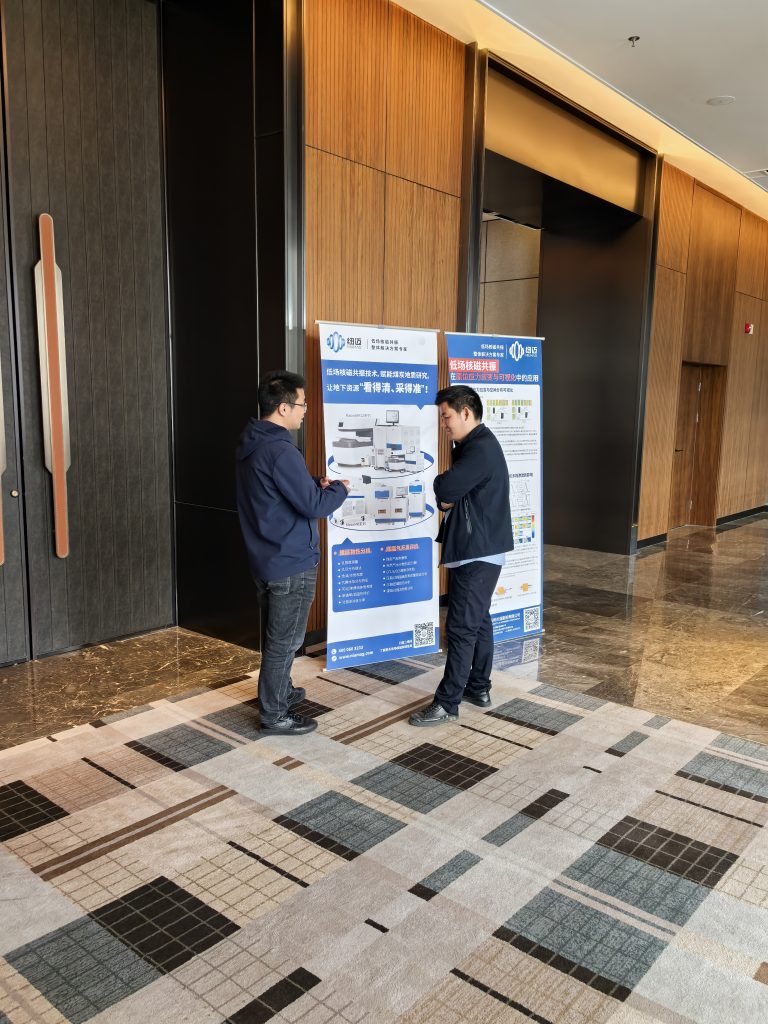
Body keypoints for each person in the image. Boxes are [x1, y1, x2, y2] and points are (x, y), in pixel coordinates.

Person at [237, 370, 349, 735]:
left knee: (278, 637)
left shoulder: (253, 443)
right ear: (283, 407)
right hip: (290, 562)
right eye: (302, 404)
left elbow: (278, 493)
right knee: (285, 642)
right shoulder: (280, 449)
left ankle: (280, 691)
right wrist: (339, 489)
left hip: (266, 558)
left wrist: (313, 483)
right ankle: (274, 714)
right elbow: (314, 506)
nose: (305, 411)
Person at [409, 384, 514, 726]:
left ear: (466, 412)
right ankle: (478, 688)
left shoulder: (480, 449)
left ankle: (447, 703)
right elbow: (449, 497)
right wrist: (447, 495)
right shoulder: (474, 446)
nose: (443, 424)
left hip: (477, 552)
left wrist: (444, 488)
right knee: (478, 620)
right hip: (480, 548)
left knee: (461, 628)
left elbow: (446, 488)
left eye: (446, 417)